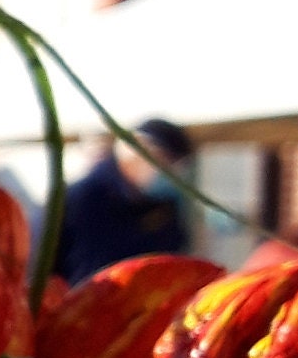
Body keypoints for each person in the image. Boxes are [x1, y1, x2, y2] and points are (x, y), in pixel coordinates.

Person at [55, 118, 195, 282]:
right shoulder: (78, 199)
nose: (170, 174)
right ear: (135, 148)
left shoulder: (162, 208)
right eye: (164, 161)